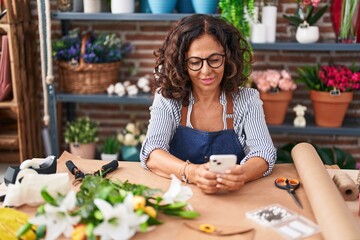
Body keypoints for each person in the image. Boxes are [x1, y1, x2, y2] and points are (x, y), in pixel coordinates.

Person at [140, 14, 276, 194]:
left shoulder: (247, 100)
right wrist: (192, 172)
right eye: (195, 62)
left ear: (228, 58)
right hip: (179, 196)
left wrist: (241, 174)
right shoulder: (167, 99)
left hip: (233, 198)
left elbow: (264, 152)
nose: (206, 71)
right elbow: (152, 153)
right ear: (182, 64)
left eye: (214, 60)